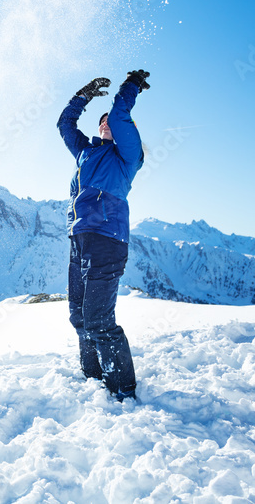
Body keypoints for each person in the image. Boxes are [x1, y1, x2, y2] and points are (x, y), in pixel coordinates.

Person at [56, 70, 150, 401]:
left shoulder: (127, 156)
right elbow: (65, 126)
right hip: (79, 239)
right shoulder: (85, 152)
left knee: (98, 320)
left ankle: (123, 390)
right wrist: (82, 96)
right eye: (102, 121)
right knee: (80, 317)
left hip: (107, 240)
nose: (106, 122)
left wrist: (129, 87)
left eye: (110, 121)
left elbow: (122, 115)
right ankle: (93, 381)